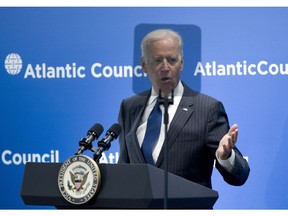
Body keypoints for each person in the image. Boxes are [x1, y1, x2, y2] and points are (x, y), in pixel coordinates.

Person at [117, 28, 250, 189]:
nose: (165, 67)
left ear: (182, 63)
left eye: (172, 60)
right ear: (144, 65)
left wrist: (226, 156)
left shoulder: (207, 109)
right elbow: (124, 168)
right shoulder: (129, 107)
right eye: (157, 60)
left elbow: (240, 175)